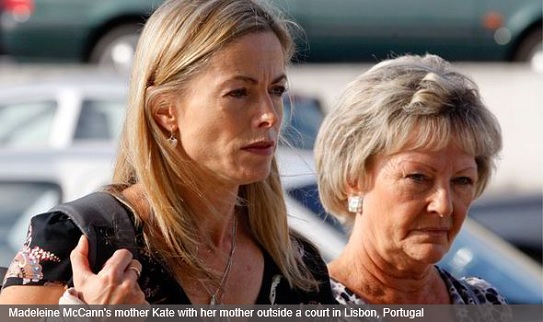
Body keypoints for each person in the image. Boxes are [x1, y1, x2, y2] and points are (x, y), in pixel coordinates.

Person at [0, 0, 335, 305]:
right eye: (239, 93)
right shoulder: (78, 242)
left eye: (276, 90)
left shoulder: (298, 268)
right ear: (165, 112)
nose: (270, 115)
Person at [314, 54, 510, 308]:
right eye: (418, 178)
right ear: (354, 180)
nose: (444, 206)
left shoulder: (485, 305)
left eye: (461, 181)